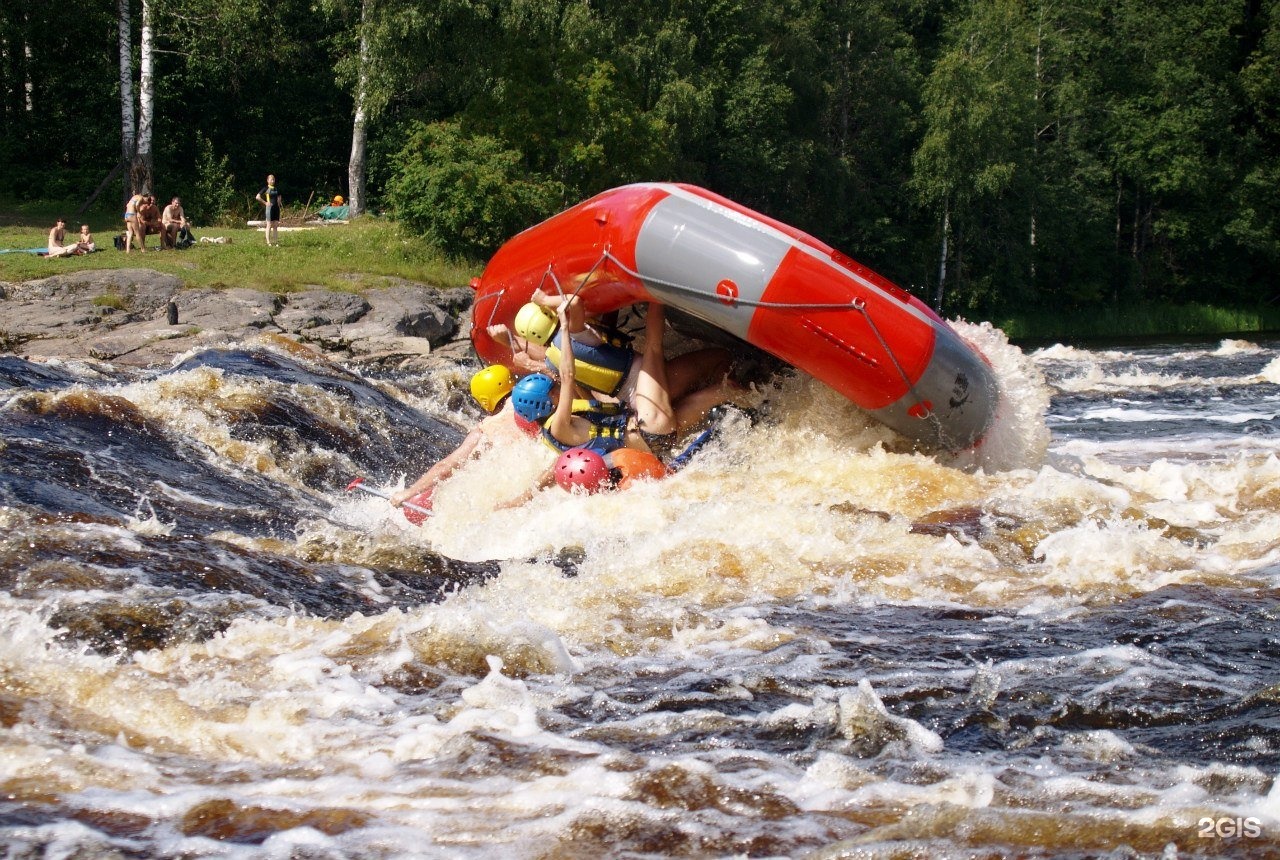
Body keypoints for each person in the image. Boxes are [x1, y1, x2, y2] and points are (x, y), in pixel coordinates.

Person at [388, 365, 537, 510]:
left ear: (484, 400)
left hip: (512, 488)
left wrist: (408, 492)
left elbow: (446, 467)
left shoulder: (485, 430)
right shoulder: (537, 403)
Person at [255, 174, 281, 246]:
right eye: (271, 179)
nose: (273, 181)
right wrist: (265, 203)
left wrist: (279, 202)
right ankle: (268, 242)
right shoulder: (266, 188)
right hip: (269, 209)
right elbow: (257, 197)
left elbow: (279, 195)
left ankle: (276, 242)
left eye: (274, 179)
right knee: (269, 225)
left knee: (275, 225)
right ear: (267, 180)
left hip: (276, 209)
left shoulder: (276, 188)